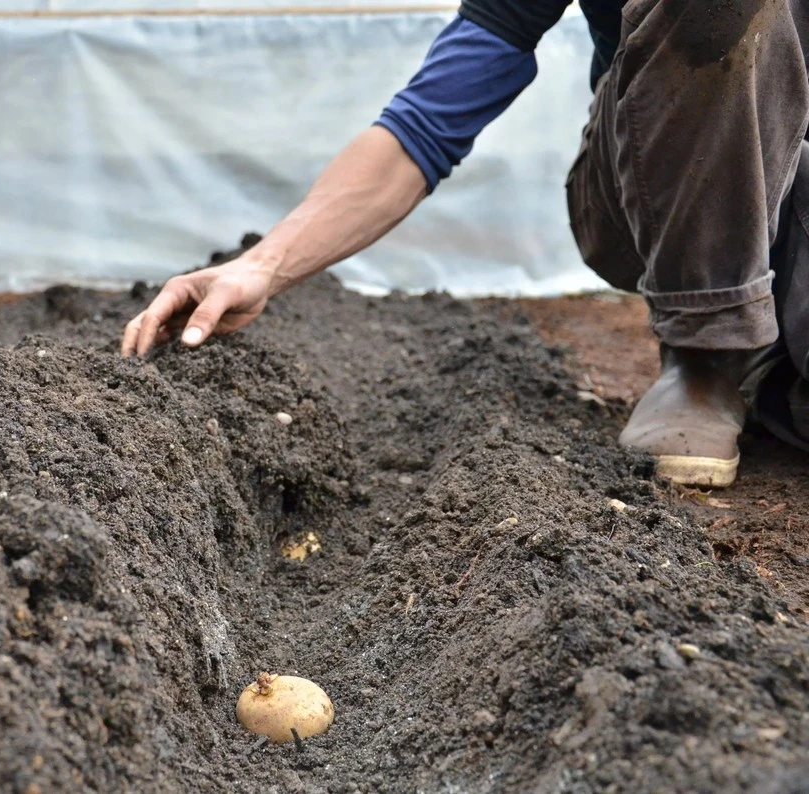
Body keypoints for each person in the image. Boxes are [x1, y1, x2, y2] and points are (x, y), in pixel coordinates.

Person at [122, 0, 809, 489]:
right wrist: (262, 264)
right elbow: (427, 120)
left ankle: (773, 371)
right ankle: (704, 354)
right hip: (657, 191)